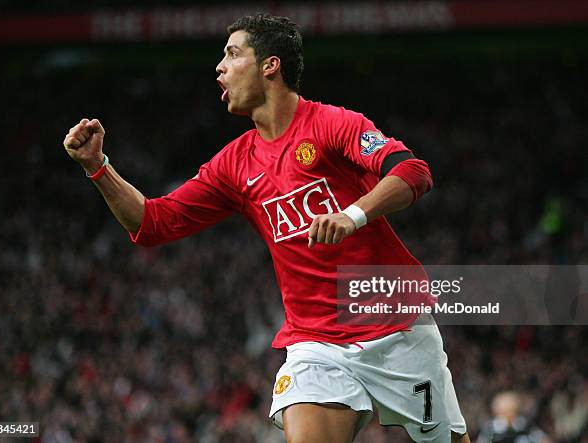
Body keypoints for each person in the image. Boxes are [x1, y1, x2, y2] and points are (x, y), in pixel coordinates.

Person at [63, 13, 469, 443]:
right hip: (316, 344)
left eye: (233, 54)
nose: (219, 67)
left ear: (269, 66)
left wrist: (352, 215)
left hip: (397, 329)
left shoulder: (333, 124)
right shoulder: (234, 164)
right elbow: (152, 222)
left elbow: (412, 171)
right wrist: (98, 168)